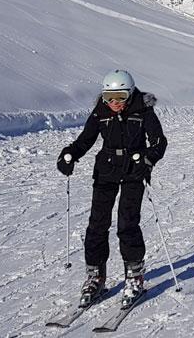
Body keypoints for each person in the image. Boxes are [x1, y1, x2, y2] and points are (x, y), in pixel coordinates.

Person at [56, 70, 167, 309]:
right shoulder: (101, 110)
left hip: (133, 170)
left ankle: (135, 277)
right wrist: (70, 154)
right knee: (97, 224)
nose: (114, 103)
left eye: (120, 97)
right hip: (106, 169)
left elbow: (159, 142)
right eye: (109, 97)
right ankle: (95, 276)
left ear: (130, 93)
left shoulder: (143, 109)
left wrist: (147, 160)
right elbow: (86, 139)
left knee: (127, 224)